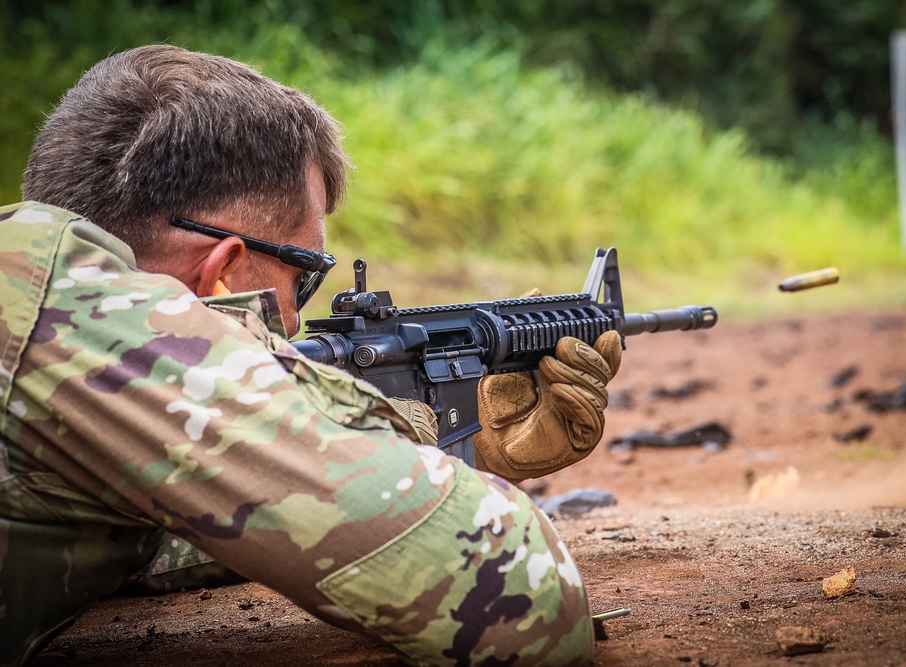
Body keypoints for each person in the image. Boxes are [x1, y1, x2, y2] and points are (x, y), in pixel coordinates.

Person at [0, 44, 623, 666]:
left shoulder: (39, 296)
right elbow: (524, 600)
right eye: (303, 278)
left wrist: (429, 452)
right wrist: (379, 438)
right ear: (222, 272)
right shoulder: (72, 307)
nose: (296, 318)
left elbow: (130, 537)